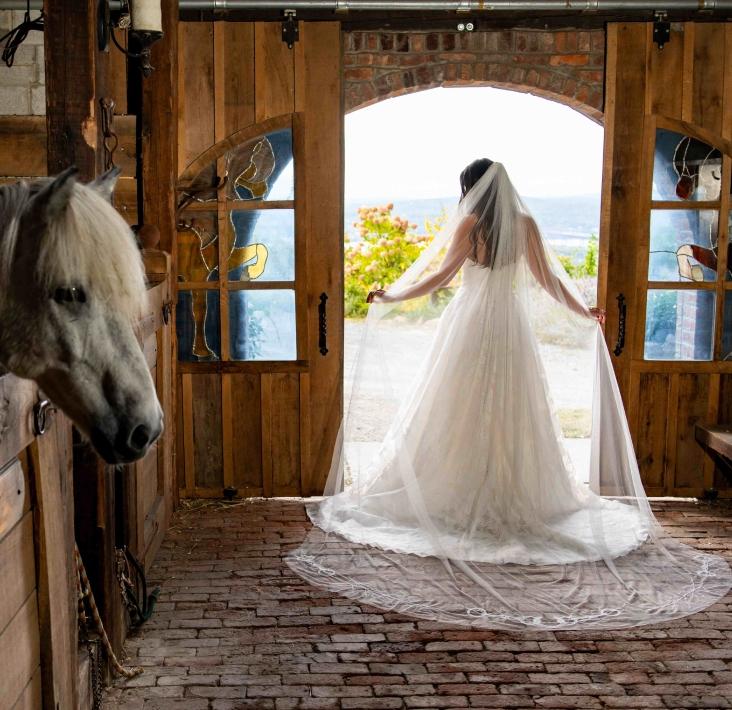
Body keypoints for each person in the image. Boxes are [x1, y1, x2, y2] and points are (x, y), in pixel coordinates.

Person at [287, 159, 731, 631]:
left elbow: (440, 278)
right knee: (514, 410)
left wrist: (394, 296)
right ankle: (518, 493)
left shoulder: (470, 225)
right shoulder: (526, 225)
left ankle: (456, 486)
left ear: (471, 190)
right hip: (510, 328)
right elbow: (549, 280)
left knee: (453, 407)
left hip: (471, 325)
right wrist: (585, 310)